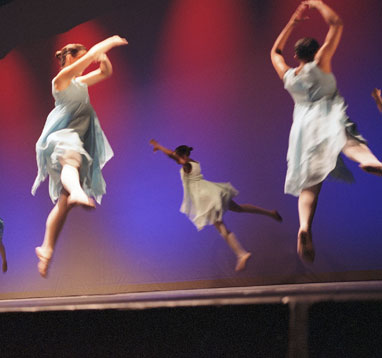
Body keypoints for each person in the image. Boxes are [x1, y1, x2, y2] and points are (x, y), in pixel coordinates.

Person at [270, 1, 382, 262]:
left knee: (310, 183)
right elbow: (337, 24)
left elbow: (275, 52)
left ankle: (304, 226)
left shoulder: (288, 75)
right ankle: (372, 163)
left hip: (302, 128)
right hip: (327, 115)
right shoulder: (321, 62)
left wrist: (292, 23)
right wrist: (319, 4)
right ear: (316, 51)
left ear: (296, 56)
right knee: (350, 142)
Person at [32, 35, 128, 277]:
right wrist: (110, 42)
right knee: (71, 162)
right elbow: (89, 59)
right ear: (70, 59)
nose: (86, 60)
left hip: (77, 137)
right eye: (81, 57)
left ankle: (46, 248)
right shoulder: (61, 80)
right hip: (62, 136)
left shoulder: (80, 83)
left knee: (62, 204)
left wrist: (102, 56)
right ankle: (77, 192)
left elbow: (105, 72)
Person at [149, 140, 282, 271]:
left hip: (205, 198)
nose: (177, 161)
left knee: (221, 228)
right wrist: (160, 147)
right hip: (211, 191)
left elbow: (175, 157)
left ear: (184, 156)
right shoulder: (192, 162)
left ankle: (241, 254)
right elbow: (173, 155)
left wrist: (162, 149)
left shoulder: (187, 165)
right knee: (238, 208)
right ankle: (270, 213)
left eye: (179, 158)